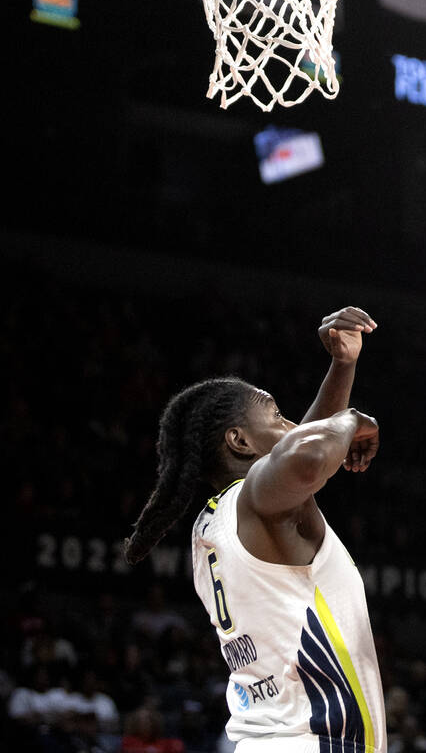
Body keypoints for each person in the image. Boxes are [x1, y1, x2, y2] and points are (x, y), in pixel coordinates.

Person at [123, 306, 387, 753]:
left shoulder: (214, 523)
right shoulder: (257, 501)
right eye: (277, 415)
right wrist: (352, 419)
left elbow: (300, 451)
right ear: (240, 441)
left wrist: (343, 366)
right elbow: (304, 458)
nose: (291, 426)